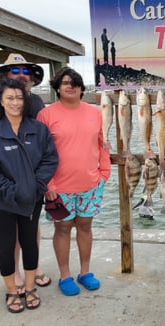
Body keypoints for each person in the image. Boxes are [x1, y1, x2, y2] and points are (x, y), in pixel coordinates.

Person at [0, 79, 58, 313]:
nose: (16, 102)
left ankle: (29, 288)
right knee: (6, 245)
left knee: (29, 243)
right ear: (0, 101)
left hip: (31, 199)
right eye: (10, 98)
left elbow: (50, 159)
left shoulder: (38, 129)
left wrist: (36, 186)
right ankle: (11, 291)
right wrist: (11, 191)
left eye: (19, 98)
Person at [37, 67, 111, 296]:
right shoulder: (47, 115)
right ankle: (65, 275)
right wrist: (47, 184)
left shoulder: (95, 112)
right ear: (57, 88)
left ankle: (85, 272)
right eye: (66, 82)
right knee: (62, 229)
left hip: (90, 184)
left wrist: (104, 173)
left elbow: (103, 143)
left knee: (85, 227)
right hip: (58, 189)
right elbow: (38, 153)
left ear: (81, 88)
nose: (71, 86)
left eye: (76, 82)